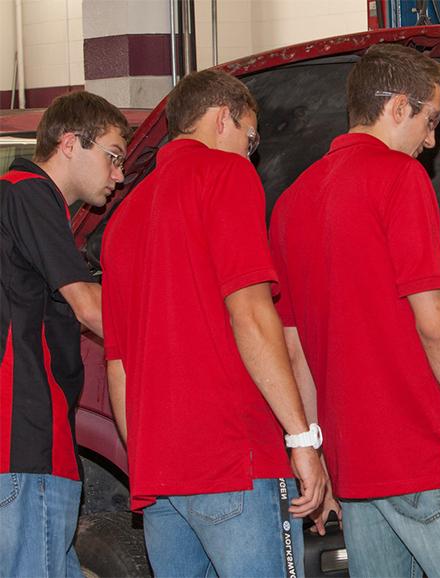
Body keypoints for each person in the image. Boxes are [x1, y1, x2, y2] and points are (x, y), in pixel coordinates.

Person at [269, 44, 440, 578]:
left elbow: (296, 350)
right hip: (423, 455)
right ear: (397, 107)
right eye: (430, 120)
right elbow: (433, 322)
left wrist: (320, 454)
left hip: (357, 469)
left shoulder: (292, 202)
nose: (432, 140)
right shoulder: (399, 177)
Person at [100, 69, 325, 577]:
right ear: (223, 118)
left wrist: (149, 458)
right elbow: (250, 314)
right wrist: (301, 439)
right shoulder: (226, 175)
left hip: (160, 477)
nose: (251, 153)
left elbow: (119, 365)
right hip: (231, 459)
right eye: (251, 138)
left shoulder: (122, 219)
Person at [0, 91, 128, 577]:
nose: (118, 174)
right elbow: (89, 307)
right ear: (71, 143)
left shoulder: (18, 202)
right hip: (26, 443)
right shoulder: (28, 193)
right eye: (113, 156)